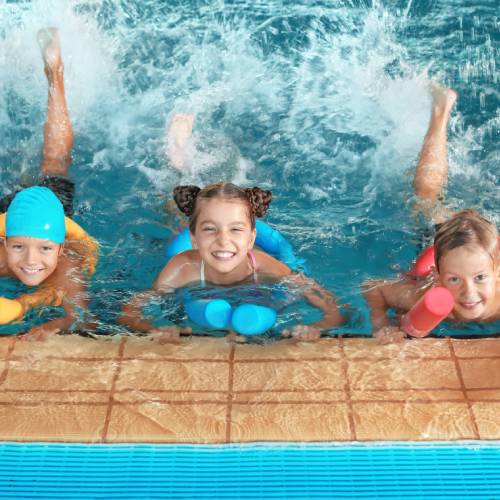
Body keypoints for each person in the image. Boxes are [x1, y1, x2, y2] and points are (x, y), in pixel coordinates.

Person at [119, 181, 344, 342]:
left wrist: (316, 328)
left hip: (255, 281)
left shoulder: (266, 267)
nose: (223, 241)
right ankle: (175, 173)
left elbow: (333, 309)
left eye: (236, 230)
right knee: (171, 216)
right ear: (194, 239)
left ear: (251, 238)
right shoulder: (182, 269)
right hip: (189, 251)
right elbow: (129, 312)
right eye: (210, 230)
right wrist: (154, 329)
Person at [363, 86, 500, 343]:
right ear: (438, 277)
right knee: (427, 198)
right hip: (439, 238)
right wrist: (381, 323)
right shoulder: (422, 295)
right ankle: (440, 109)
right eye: (453, 279)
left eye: (480, 278)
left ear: (497, 274)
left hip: (482, 248)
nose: (469, 293)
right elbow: (374, 287)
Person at [0, 28, 98, 339]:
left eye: (44, 248)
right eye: (18, 247)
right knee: (51, 164)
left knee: (56, 162)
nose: (31, 260)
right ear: (4, 244)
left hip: (51, 207)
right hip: (15, 215)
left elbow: (82, 319)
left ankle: (55, 73)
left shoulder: (66, 269)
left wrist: (41, 330)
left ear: (60, 247)